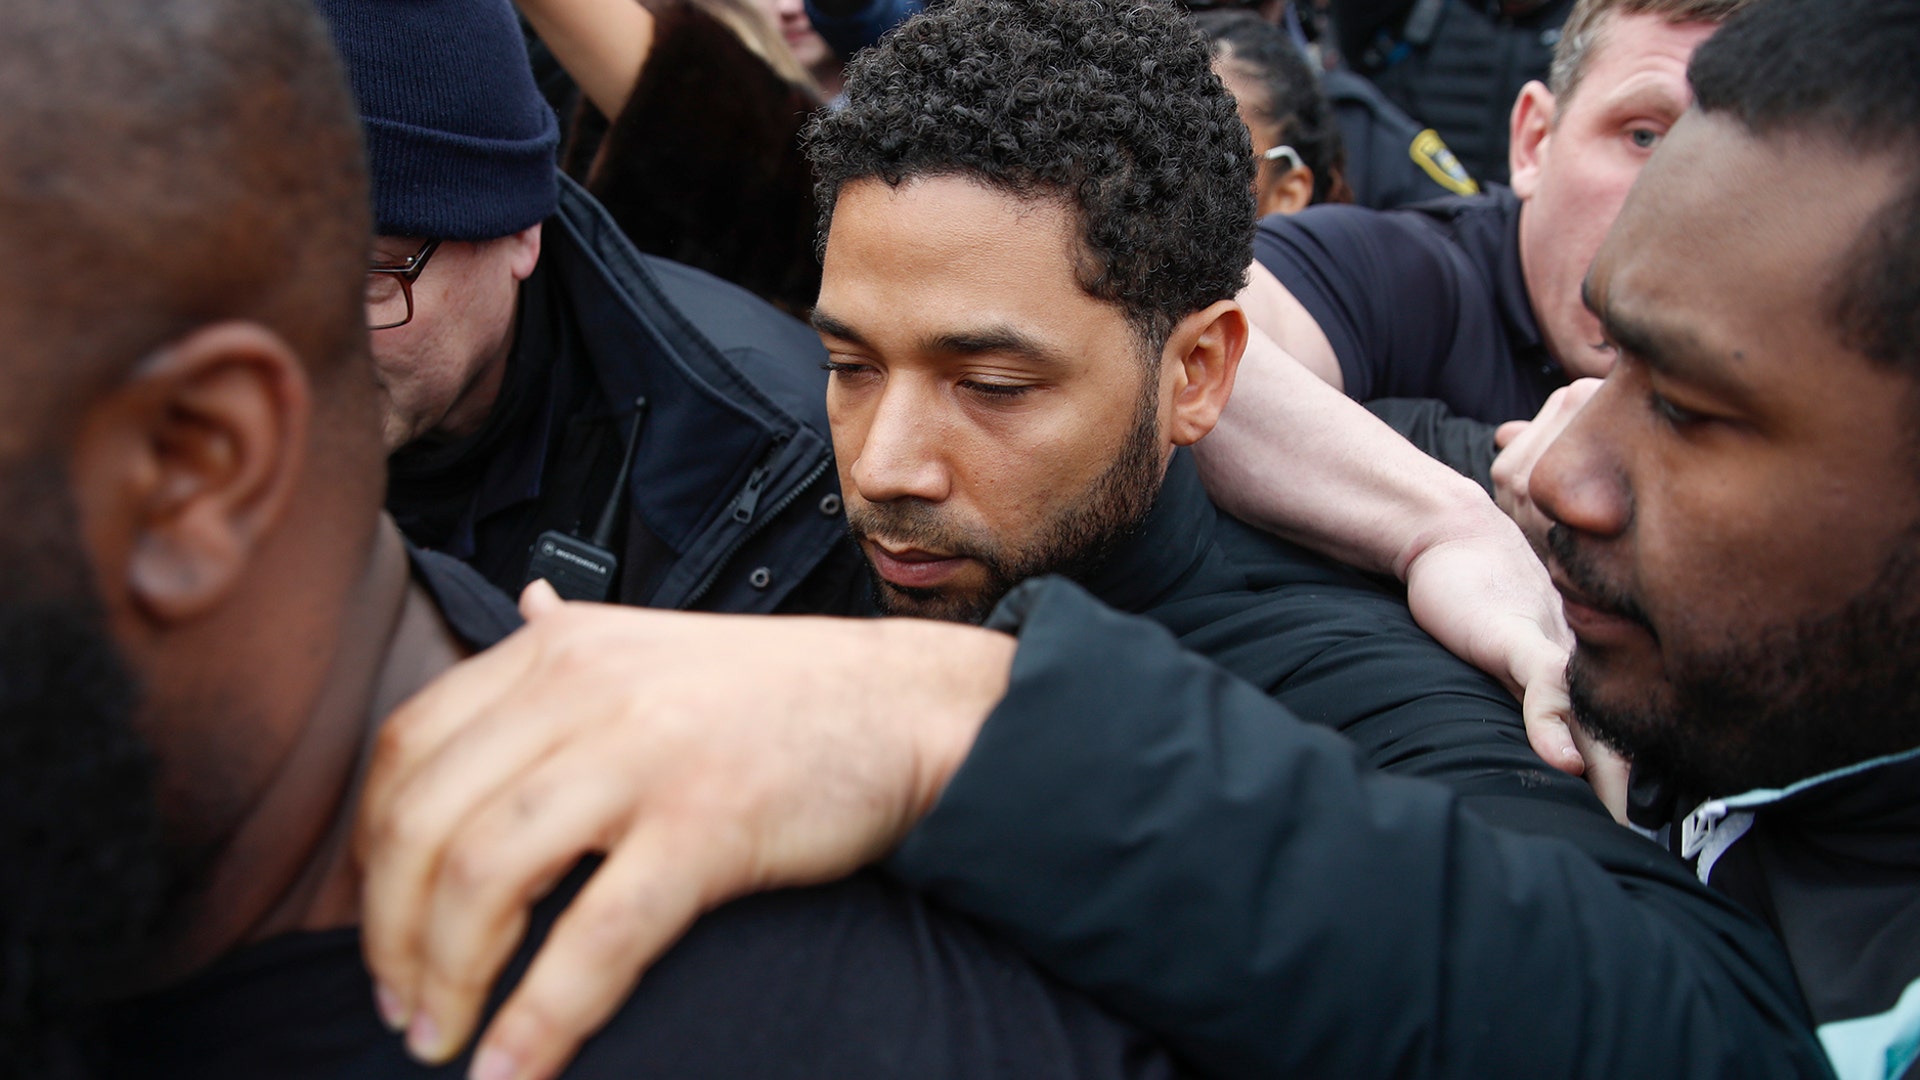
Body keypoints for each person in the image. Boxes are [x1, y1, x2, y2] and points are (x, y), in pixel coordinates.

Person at [349, 2, 1847, 1078]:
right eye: (851, 362)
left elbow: (1709, 1031)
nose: (884, 461)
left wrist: (979, 735)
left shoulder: (1378, 665)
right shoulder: (777, 498)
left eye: (993, 385)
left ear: (1200, 374)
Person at [0, 3, 1216, 1078]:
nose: (890, 463)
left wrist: (950, 728)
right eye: (851, 366)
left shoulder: (770, 459)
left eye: (379, 270)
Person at [321, 0, 866, 616]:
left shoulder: (763, 463)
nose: (303, 339)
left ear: (520, 230)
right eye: (262, 278)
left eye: (369, 274)